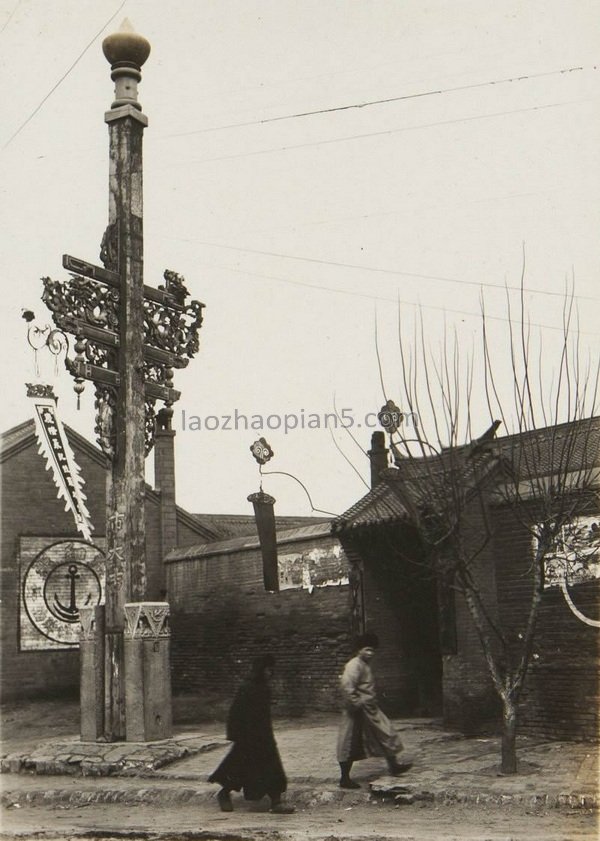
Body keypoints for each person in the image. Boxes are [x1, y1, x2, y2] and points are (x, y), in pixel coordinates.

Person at [208, 653, 295, 814]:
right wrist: (236, 735)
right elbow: (235, 713)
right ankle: (224, 794)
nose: (270, 673)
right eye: (268, 670)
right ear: (261, 670)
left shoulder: (264, 688)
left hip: (264, 736)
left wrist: (268, 735)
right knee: (239, 770)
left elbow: (264, 716)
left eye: (272, 670)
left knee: (273, 768)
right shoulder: (247, 687)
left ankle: (276, 802)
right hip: (248, 737)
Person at [337, 632, 413, 788]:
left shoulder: (365, 665)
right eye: (367, 649)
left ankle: (394, 765)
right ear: (359, 649)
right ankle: (344, 778)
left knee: (386, 732)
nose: (370, 653)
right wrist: (356, 702)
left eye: (372, 650)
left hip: (369, 709)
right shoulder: (354, 664)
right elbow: (347, 685)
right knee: (349, 742)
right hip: (356, 710)